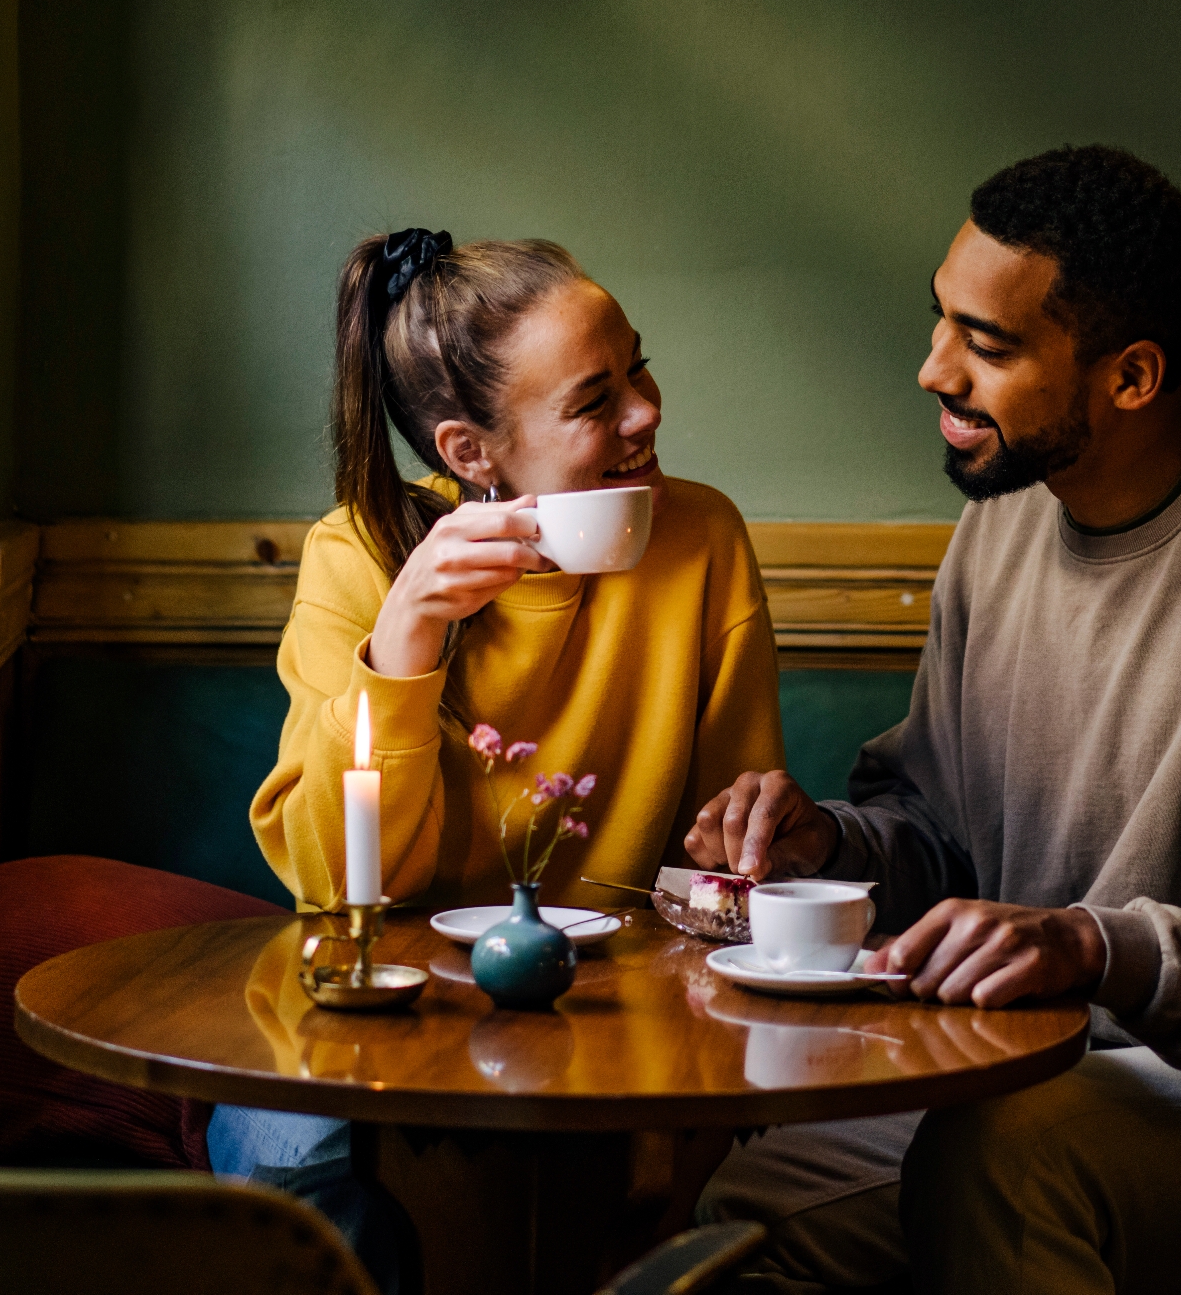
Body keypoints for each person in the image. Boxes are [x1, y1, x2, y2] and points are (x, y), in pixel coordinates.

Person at [689, 146, 1181, 1295]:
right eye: (939, 323)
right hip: (1039, 1072)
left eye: (989, 345)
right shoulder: (1005, 520)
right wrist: (827, 844)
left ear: (1130, 376)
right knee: (749, 1214)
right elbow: (936, 829)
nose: (931, 371)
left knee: (1008, 1158)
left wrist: (1091, 945)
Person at [223, 229, 787, 1285]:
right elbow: (336, 885)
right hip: (375, 1022)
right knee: (304, 1200)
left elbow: (725, 871)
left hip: (613, 1020)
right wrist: (404, 643)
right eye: (593, 401)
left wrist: (760, 832)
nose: (647, 411)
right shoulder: (357, 554)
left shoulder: (700, 539)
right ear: (470, 453)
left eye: (638, 370)